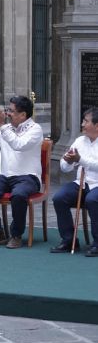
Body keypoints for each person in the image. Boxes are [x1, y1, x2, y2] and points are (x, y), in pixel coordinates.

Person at [0, 95, 43, 249]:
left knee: (19, 195)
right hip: (5, 175)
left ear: (23, 115)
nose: (7, 114)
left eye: (11, 111)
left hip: (28, 176)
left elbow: (18, 144)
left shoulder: (35, 129)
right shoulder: (5, 128)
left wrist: (1, 125)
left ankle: (16, 235)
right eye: (7, 110)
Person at [51, 107, 98, 256]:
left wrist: (80, 159)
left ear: (97, 125)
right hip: (81, 183)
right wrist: (67, 160)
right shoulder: (79, 141)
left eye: (86, 121)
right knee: (59, 198)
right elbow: (64, 168)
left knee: (92, 200)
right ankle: (69, 240)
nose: (82, 124)